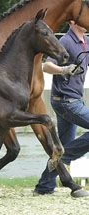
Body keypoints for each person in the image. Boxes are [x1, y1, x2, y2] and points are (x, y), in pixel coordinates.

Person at [34, 21, 89, 196]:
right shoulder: (65, 40)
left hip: (74, 100)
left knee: (63, 144)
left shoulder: (86, 41)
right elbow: (46, 66)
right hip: (66, 101)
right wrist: (64, 69)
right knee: (64, 149)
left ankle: (44, 187)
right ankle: (63, 158)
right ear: (72, 22)